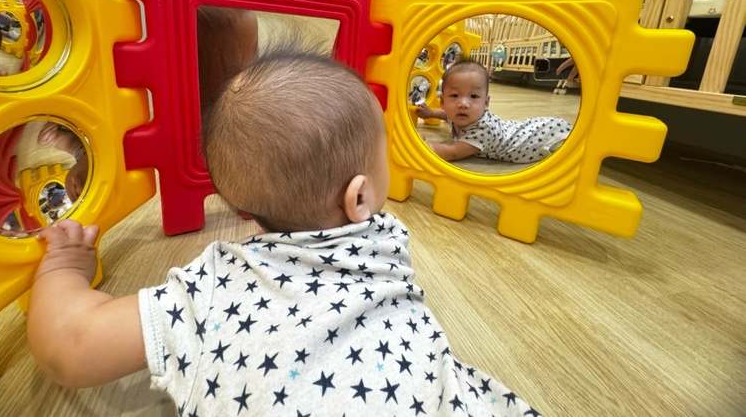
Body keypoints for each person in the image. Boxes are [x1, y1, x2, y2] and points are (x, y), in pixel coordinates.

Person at [27, 46, 540, 416]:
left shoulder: (214, 287)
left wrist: (63, 266)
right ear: (360, 198)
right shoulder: (384, 243)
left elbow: (70, 347)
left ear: (242, 204)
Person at [416, 59, 571, 163]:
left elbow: (452, 152)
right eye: (455, 96)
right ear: (442, 102)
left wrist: (419, 144)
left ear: (486, 103)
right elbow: (447, 116)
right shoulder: (460, 115)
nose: (463, 104)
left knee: (570, 152)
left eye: (474, 96)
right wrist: (431, 113)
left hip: (542, 137)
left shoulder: (482, 129)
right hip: (523, 128)